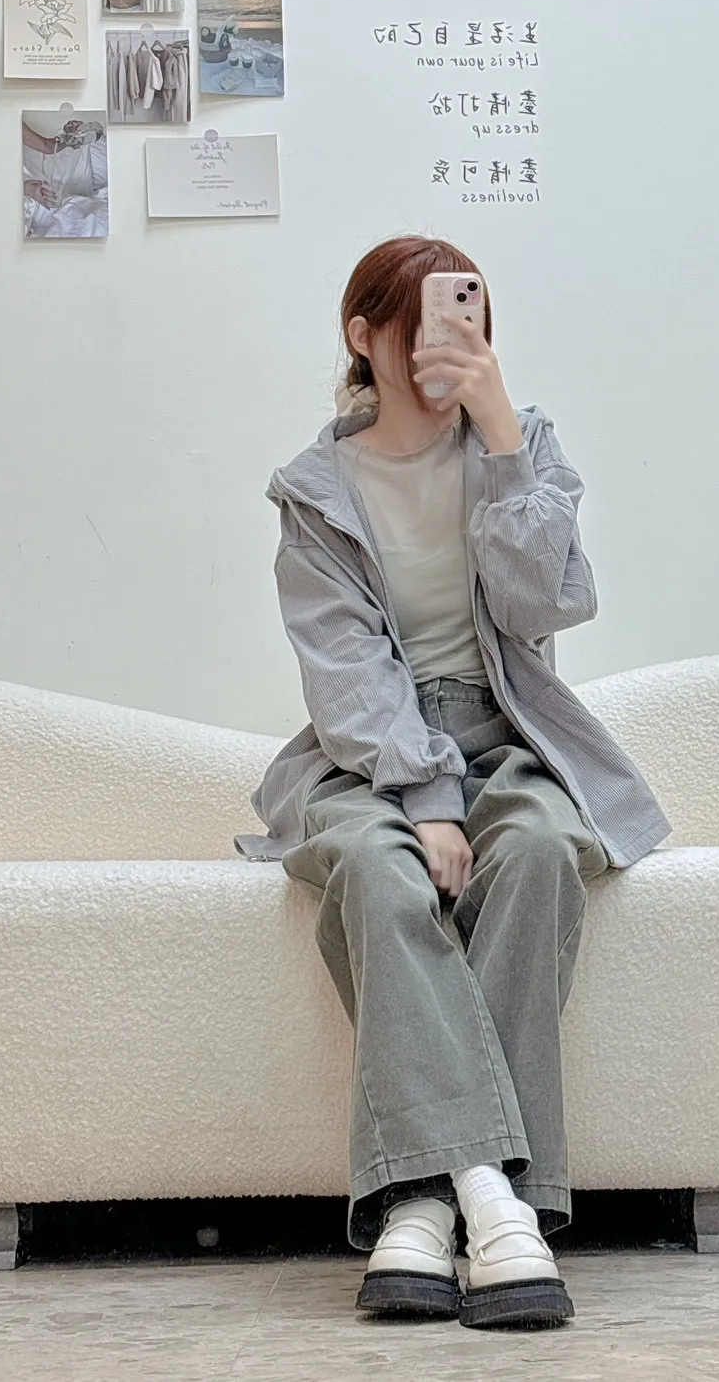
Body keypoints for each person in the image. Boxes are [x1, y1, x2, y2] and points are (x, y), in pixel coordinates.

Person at [235, 235, 670, 1329]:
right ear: (364, 335)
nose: (445, 338)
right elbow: (347, 672)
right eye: (420, 319)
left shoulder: (523, 446)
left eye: (465, 314)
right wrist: (426, 798)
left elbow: (541, 607)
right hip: (369, 752)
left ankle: (419, 1207)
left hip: (510, 731)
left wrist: (504, 437)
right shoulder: (314, 492)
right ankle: (498, 1203)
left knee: (540, 848)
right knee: (374, 870)